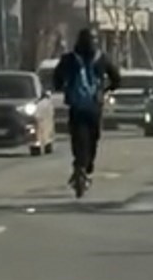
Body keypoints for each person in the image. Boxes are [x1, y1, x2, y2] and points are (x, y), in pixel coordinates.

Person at [52, 29, 121, 185]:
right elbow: (116, 79)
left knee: (78, 138)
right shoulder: (101, 58)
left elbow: (57, 78)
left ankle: (80, 165)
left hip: (76, 106)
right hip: (94, 107)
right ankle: (86, 165)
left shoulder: (69, 59)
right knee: (92, 137)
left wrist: (63, 88)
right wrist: (105, 90)